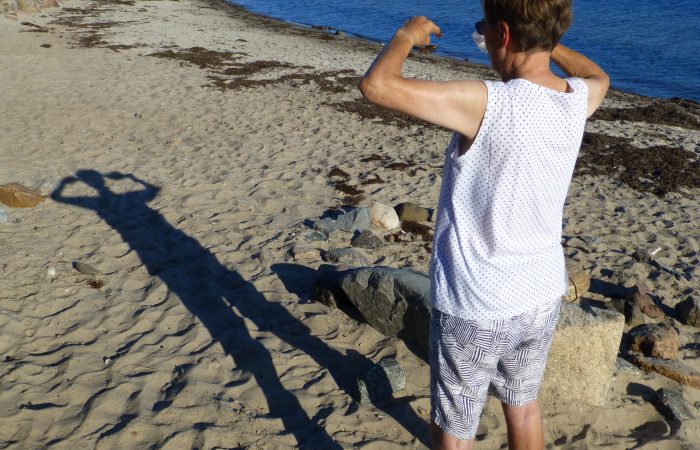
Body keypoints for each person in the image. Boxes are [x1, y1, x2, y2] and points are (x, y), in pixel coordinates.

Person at [359, 0, 609, 449]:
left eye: (485, 27)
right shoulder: (576, 99)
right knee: (524, 408)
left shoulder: (488, 103)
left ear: (504, 35)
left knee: (456, 428)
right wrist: (548, 43)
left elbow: (377, 86)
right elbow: (600, 76)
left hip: (477, 302)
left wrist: (406, 36)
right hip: (540, 294)